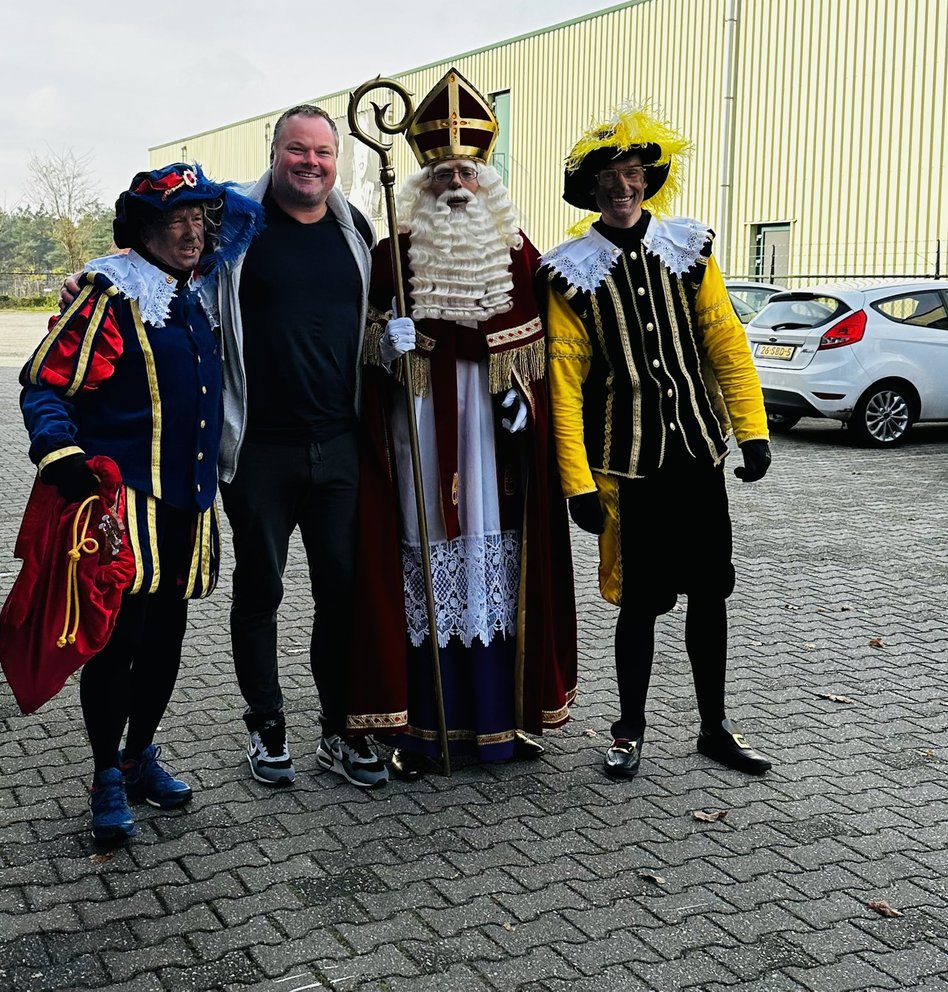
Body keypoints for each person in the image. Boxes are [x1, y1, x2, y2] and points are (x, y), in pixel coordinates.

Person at [20, 163, 262, 843]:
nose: (193, 232)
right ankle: (104, 773)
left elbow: (254, 215)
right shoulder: (110, 295)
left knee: (167, 639)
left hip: (189, 501)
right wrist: (59, 450)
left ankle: (138, 755)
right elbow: (46, 383)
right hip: (124, 505)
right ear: (146, 230)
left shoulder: (200, 293)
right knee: (118, 644)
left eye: (200, 219)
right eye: (176, 219)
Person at [346, 67, 577, 778]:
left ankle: (500, 720)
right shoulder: (392, 251)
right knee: (421, 556)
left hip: (493, 446)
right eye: (443, 171)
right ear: (420, 180)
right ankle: (420, 726)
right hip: (416, 437)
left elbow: (542, 344)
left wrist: (523, 401)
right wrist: (383, 346)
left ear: (488, 181)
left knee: (495, 563)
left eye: (469, 172)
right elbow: (360, 342)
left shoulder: (519, 255)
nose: (456, 182)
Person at [538, 102, 773, 781]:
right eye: (609, 178)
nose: (623, 187)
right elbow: (564, 381)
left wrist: (751, 431)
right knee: (639, 604)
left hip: (698, 455)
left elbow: (725, 340)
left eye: (633, 173)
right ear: (591, 189)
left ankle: (714, 727)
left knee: (710, 593)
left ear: (649, 179)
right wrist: (576, 482)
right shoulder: (570, 274)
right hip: (629, 467)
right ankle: (629, 729)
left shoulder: (688, 251)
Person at [217, 104, 390, 789]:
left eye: (323, 152)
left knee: (342, 593)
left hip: (339, 445)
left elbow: (375, 321)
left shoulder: (359, 232)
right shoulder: (234, 227)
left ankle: (340, 731)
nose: (311, 163)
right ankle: (265, 723)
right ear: (275, 152)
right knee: (260, 588)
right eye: (298, 150)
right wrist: (97, 278)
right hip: (259, 448)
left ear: (336, 159)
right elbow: (165, 270)